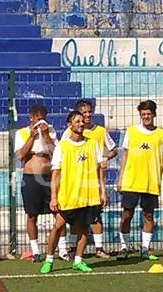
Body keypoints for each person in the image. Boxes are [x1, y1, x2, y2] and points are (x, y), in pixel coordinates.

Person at [40, 110, 107, 274]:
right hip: (68, 195)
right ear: (70, 125)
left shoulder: (92, 144)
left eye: (82, 121)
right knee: (57, 226)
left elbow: (100, 169)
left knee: (84, 228)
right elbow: (55, 173)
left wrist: (102, 192)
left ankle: (78, 260)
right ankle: (49, 259)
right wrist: (54, 197)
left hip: (88, 196)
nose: (81, 124)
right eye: (77, 121)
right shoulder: (63, 146)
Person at [116, 100, 163, 261]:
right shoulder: (132, 131)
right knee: (127, 215)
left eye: (149, 114)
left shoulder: (162, 135)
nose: (146, 117)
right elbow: (125, 155)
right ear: (140, 115)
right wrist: (120, 179)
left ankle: (145, 248)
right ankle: (124, 247)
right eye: (143, 115)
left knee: (148, 216)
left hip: (151, 182)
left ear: (154, 114)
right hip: (131, 181)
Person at [58, 99, 116, 259]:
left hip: (94, 179)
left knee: (96, 216)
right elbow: (62, 153)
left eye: (89, 112)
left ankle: (99, 248)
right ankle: (71, 247)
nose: (88, 115)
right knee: (74, 217)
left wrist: (105, 157)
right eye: (84, 113)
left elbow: (113, 150)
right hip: (75, 180)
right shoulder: (69, 133)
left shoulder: (100, 131)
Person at [13, 104, 57, 262]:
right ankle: (36, 250)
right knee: (32, 214)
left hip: (48, 176)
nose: (41, 122)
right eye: (38, 118)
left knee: (57, 212)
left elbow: (55, 153)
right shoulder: (22, 133)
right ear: (31, 118)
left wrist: (45, 136)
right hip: (31, 177)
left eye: (43, 118)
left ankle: (63, 248)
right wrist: (32, 136)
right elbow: (20, 155)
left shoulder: (50, 131)